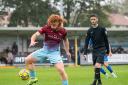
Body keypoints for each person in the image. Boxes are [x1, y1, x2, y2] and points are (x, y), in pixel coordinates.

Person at [24, 14, 71, 85]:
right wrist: (32, 40)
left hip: (54, 53)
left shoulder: (63, 31)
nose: (52, 25)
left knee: (61, 70)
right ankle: (33, 78)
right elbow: (35, 34)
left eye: (54, 24)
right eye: (51, 23)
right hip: (44, 51)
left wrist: (67, 51)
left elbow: (65, 41)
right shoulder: (46, 27)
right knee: (27, 60)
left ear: (58, 23)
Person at [84, 14, 111, 85]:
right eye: (91, 20)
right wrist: (85, 52)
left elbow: (106, 40)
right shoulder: (89, 30)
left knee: (97, 65)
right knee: (95, 67)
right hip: (94, 50)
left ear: (97, 19)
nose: (93, 21)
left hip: (102, 49)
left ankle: (95, 81)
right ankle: (99, 82)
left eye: (94, 19)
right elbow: (86, 42)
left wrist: (108, 51)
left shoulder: (102, 29)